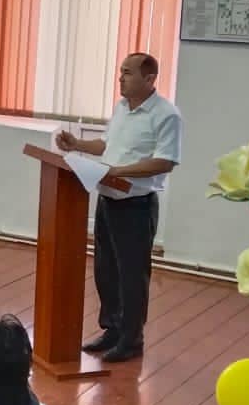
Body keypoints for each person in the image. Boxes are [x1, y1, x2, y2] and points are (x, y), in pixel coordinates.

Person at [55, 52, 182, 362]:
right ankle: (111, 329)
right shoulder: (122, 107)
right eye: (120, 71)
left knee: (132, 275)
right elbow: (107, 145)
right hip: (107, 198)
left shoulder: (167, 115)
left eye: (127, 72)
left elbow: (165, 161)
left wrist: (118, 172)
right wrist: (77, 145)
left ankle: (131, 339)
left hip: (136, 205)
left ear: (149, 79)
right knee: (106, 271)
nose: (120, 78)